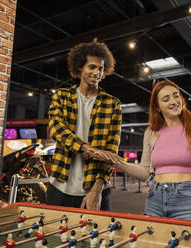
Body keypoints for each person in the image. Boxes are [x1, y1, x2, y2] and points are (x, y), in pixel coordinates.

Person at [113, 80, 191, 220]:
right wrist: (115, 162)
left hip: (188, 197)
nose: (174, 101)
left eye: (176, 95)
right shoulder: (151, 132)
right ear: (157, 107)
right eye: (166, 99)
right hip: (155, 196)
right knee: (156, 241)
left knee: (188, 241)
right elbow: (145, 172)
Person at [46, 38, 121, 211]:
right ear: (80, 67)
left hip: (95, 188)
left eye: (101, 69)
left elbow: (111, 150)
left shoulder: (113, 104)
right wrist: (88, 148)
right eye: (92, 67)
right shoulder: (62, 96)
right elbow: (57, 130)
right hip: (60, 186)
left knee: (96, 238)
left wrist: (97, 189)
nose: (97, 73)